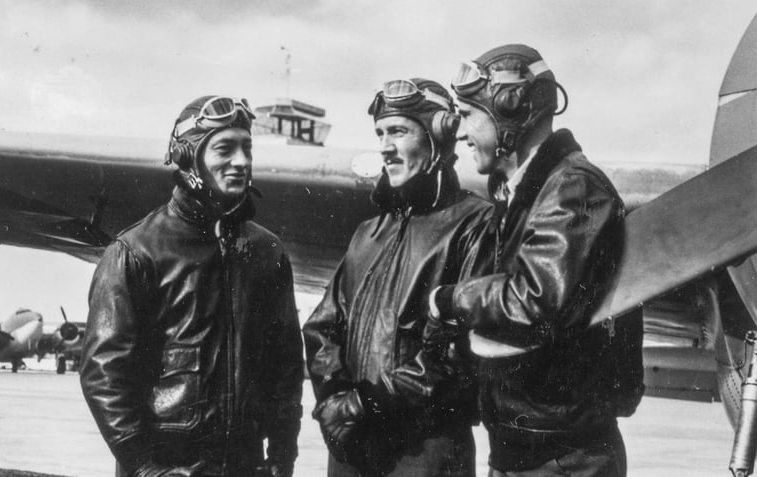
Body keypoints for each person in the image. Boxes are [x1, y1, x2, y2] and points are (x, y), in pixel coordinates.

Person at [426, 44, 645, 476]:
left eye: (469, 114)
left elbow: (534, 299)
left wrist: (450, 300)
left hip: (563, 461)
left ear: (512, 109)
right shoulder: (523, 196)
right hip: (523, 453)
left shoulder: (572, 189)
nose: (461, 132)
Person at [79, 96, 303, 477]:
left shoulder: (267, 252)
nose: (241, 161)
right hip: (166, 468)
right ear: (188, 157)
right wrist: (145, 468)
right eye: (225, 148)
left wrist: (283, 454)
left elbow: (285, 366)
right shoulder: (135, 251)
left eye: (247, 148)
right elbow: (104, 373)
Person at [303, 78, 493, 477]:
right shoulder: (367, 233)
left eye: (399, 131)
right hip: (352, 448)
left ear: (439, 137)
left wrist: (365, 404)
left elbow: (460, 355)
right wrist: (335, 403)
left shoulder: (476, 225)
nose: (385, 146)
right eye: (380, 134)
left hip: (425, 453)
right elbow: (322, 327)